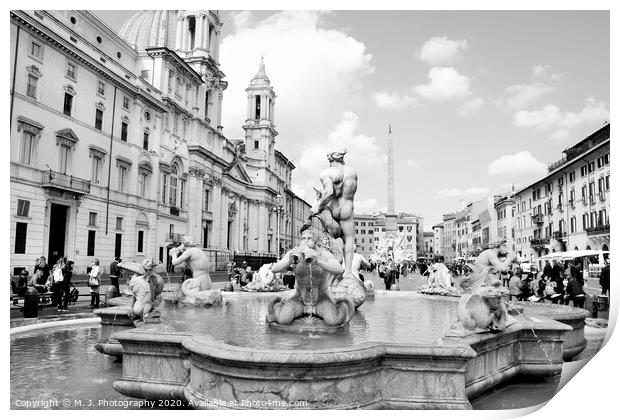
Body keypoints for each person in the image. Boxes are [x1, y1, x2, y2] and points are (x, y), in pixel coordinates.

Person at [305, 149, 358, 279]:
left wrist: (318, 206)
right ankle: (348, 272)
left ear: (331, 160)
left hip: (333, 208)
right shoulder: (352, 172)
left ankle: (330, 271)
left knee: (328, 239)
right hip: (347, 208)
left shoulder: (328, 172)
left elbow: (329, 193)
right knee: (349, 239)